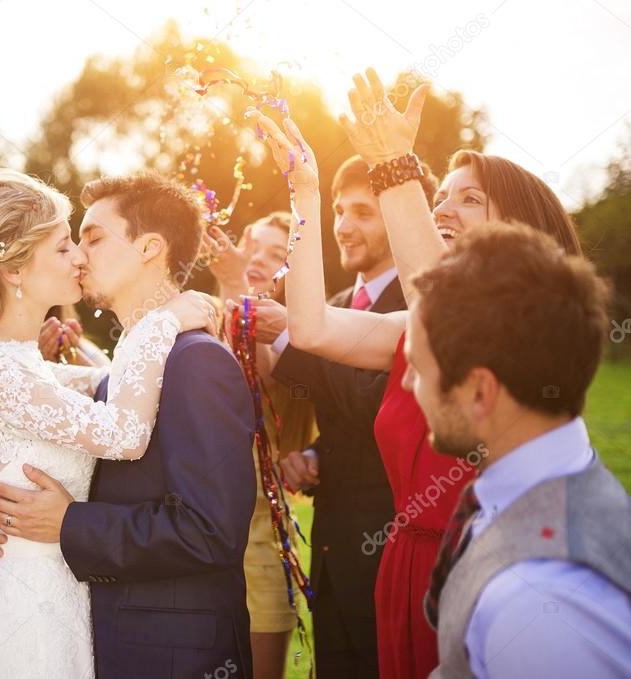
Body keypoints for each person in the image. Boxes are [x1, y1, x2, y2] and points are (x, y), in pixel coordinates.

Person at [247, 67, 583, 678]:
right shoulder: (413, 326)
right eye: (440, 196)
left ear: (520, 227)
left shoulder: (521, 325)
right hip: (400, 565)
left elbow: (443, 298)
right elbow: (312, 328)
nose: (443, 207)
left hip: (478, 562)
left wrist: (394, 165)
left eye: (468, 197)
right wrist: (303, 190)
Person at [0, 170, 256, 679]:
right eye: (69, 243)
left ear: (149, 249)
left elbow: (212, 532)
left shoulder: (197, 361)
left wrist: (67, 524)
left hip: (173, 655)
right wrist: (11, 518)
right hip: (82, 634)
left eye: (91, 238)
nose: (79, 256)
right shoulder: (121, 375)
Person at [403, 224, 631, 678]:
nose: (410, 385)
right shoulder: (551, 482)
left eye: (417, 368)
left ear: (480, 393)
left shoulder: (540, 608)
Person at [260, 154, 435, 677]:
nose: (342, 226)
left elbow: (374, 400)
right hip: (334, 543)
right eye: (338, 210)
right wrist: (313, 454)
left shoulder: (423, 300)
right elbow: (344, 418)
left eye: (362, 212)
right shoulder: (334, 300)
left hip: (387, 547)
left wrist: (291, 333)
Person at [0, 306, 109, 679]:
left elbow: (118, 397)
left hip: (80, 559)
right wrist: (26, 370)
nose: (76, 258)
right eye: (62, 249)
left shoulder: (90, 356)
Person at [200, 211, 319, 678]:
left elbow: (253, 375)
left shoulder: (297, 341)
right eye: (256, 246)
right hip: (194, 544)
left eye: (278, 255)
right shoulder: (196, 315)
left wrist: (234, 284)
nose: (262, 261)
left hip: (261, 544)